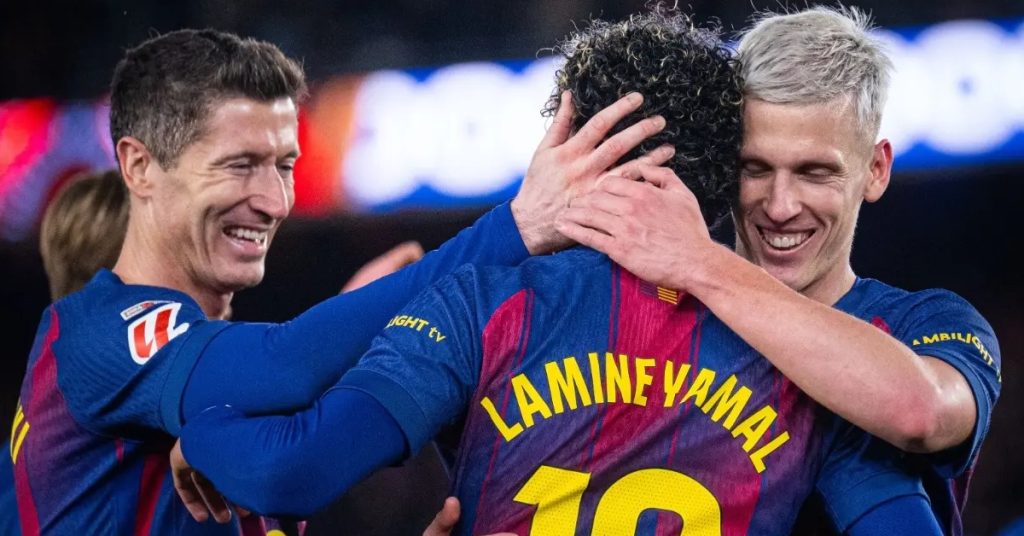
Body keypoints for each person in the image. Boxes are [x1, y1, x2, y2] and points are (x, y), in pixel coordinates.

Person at [172, 10, 941, 534]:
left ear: (564, 143)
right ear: (722, 166)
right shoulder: (806, 358)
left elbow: (290, 474)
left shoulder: (480, 307)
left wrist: (202, 430)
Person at [9, 27, 670, 534]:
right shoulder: (91, 334)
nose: (274, 201)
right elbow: (284, 366)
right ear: (138, 167)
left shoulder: (217, 413)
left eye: (285, 165)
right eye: (239, 165)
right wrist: (518, 226)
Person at [556, 6, 1001, 535]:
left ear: (876, 170)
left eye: (815, 172)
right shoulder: (647, 319)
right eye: (755, 168)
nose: (780, 205)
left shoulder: (928, 321)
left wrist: (701, 260)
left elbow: (922, 413)